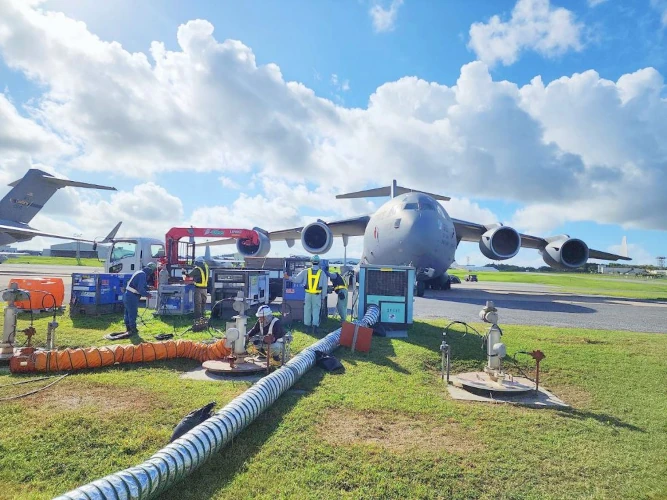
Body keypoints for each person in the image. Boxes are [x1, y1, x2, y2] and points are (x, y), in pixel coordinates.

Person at [284, 255, 328, 334]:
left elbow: (297, 279)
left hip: (308, 295)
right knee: (316, 310)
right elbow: (325, 286)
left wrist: (288, 277)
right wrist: (323, 297)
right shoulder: (322, 273)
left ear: (311, 262)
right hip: (317, 295)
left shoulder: (306, 271)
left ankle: (307, 328)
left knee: (307, 310)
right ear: (318, 262)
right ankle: (315, 328)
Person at [123, 262, 157, 335]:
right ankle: (133, 330)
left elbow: (138, 285)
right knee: (132, 313)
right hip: (132, 296)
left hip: (127, 295)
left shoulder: (139, 272)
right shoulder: (143, 275)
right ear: (151, 270)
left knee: (127, 313)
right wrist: (147, 295)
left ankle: (128, 328)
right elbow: (140, 289)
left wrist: (148, 288)